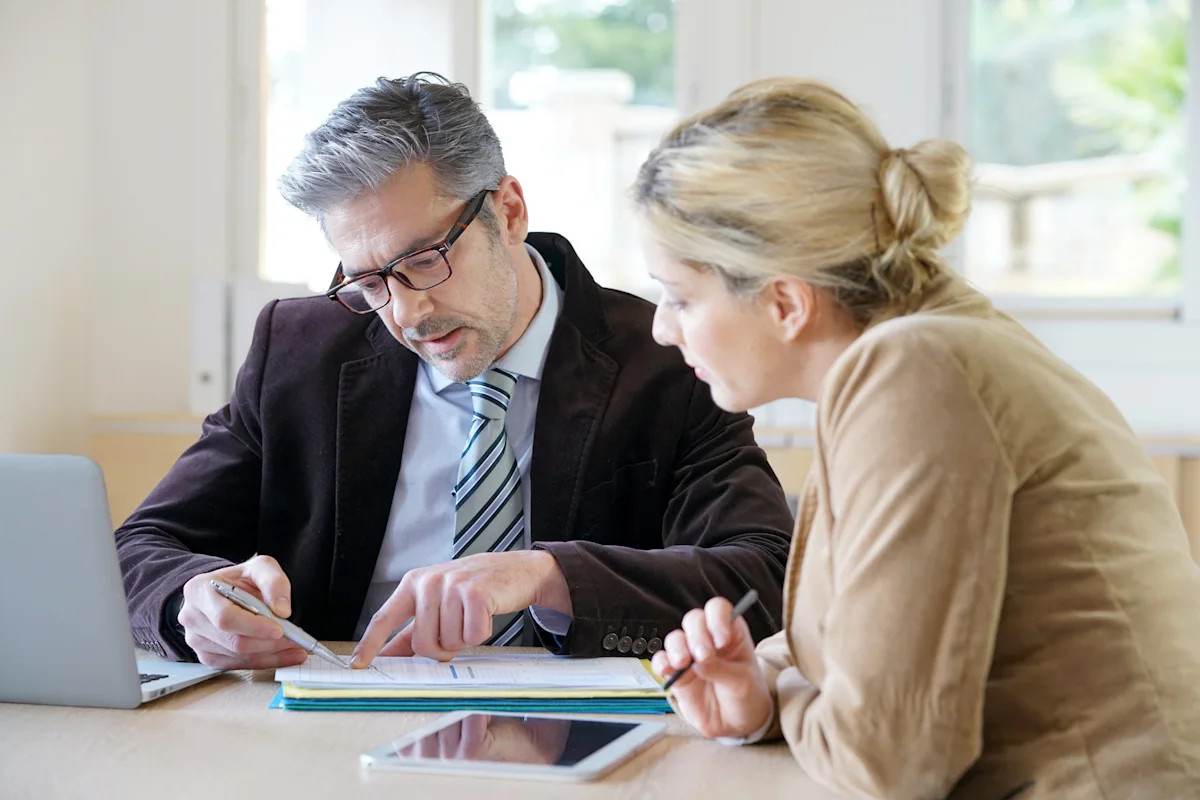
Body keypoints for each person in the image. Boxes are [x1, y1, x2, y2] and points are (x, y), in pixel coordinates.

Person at [115, 74, 795, 671]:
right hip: (326, 726)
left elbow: (765, 577)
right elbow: (136, 549)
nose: (408, 311)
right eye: (370, 280)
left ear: (509, 211)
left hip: (585, 734)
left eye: (425, 259)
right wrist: (190, 601)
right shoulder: (299, 350)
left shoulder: (669, 360)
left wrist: (551, 576)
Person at [638, 78, 1200, 799]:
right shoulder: (921, 347)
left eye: (681, 297)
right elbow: (854, 656)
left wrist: (779, 699)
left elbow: (890, 760)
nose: (660, 327)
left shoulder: (916, 372)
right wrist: (758, 689)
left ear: (784, 301)